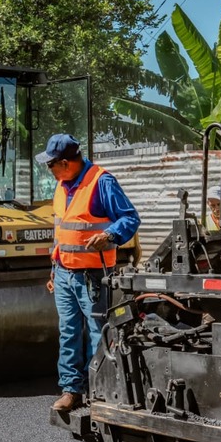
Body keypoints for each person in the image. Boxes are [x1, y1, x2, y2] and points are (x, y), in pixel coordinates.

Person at [37, 133, 140, 412]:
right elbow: (63, 232)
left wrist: (109, 234)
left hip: (92, 276)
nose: (49, 169)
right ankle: (72, 390)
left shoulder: (101, 181)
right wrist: (53, 268)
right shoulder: (61, 186)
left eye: (51, 164)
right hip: (63, 273)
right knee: (68, 332)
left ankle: (101, 390)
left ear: (66, 163)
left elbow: (130, 218)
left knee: (98, 333)